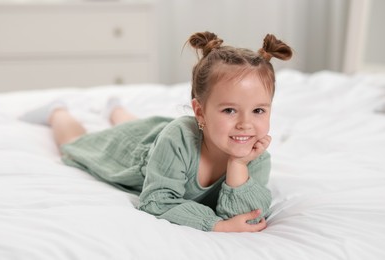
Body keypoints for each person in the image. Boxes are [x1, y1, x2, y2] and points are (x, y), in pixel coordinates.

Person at [20, 31, 292, 232]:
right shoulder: (178, 138)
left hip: (164, 135)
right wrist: (217, 225)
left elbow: (248, 215)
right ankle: (58, 111)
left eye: (258, 111)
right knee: (77, 143)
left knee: (139, 122)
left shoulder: (256, 157)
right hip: (139, 152)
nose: (245, 124)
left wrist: (237, 165)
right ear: (200, 112)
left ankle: (115, 108)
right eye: (229, 110)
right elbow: (157, 202)